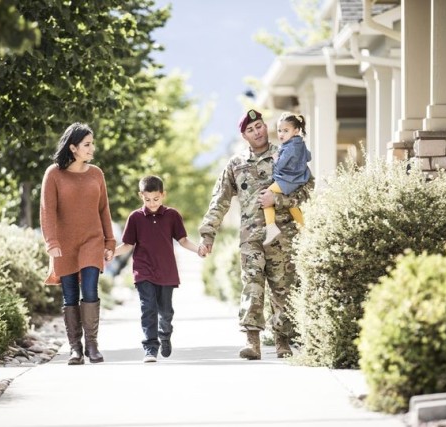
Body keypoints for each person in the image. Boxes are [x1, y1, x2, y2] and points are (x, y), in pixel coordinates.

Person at [199, 109, 313, 360]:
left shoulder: (285, 153)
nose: (257, 132)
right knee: (252, 284)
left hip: (283, 235)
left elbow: (307, 189)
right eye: (251, 129)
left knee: (282, 287)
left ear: (265, 127)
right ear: (244, 135)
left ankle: (283, 341)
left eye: (259, 126)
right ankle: (253, 341)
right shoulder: (236, 164)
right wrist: (208, 234)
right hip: (251, 237)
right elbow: (220, 200)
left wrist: (279, 199)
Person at [39, 122, 115, 365]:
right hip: (64, 244)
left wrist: (109, 241)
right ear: (73, 148)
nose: (92, 148)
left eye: (92, 143)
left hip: (92, 240)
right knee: (70, 295)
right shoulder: (53, 174)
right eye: (87, 144)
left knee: (90, 290)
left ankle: (92, 345)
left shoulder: (96, 174)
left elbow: (104, 209)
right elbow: (47, 210)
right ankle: (75, 348)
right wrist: (51, 241)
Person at [113, 175, 208, 363]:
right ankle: (150, 347)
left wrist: (198, 249)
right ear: (141, 195)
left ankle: (165, 334)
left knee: (165, 312)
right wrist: (109, 254)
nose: (152, 203)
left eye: (156, 199)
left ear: (163, 195)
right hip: (143, 271)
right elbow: (127, 245)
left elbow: (182, 240)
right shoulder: (135, 217)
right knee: (147, 308)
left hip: (166, 272)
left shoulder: (172, 215)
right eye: (147, 199)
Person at [263, 112, 312, 245]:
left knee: (266, 197)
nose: (281, 134)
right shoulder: (300, 143)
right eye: (279, 130)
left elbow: (279, 166)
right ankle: (304, 228)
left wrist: (276, 158)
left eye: (286, 130)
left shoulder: (289, 148)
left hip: (287, 181)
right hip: (299, 179)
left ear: (296, 131)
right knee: (293, 206)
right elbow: (308, 157)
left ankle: (271, 226)